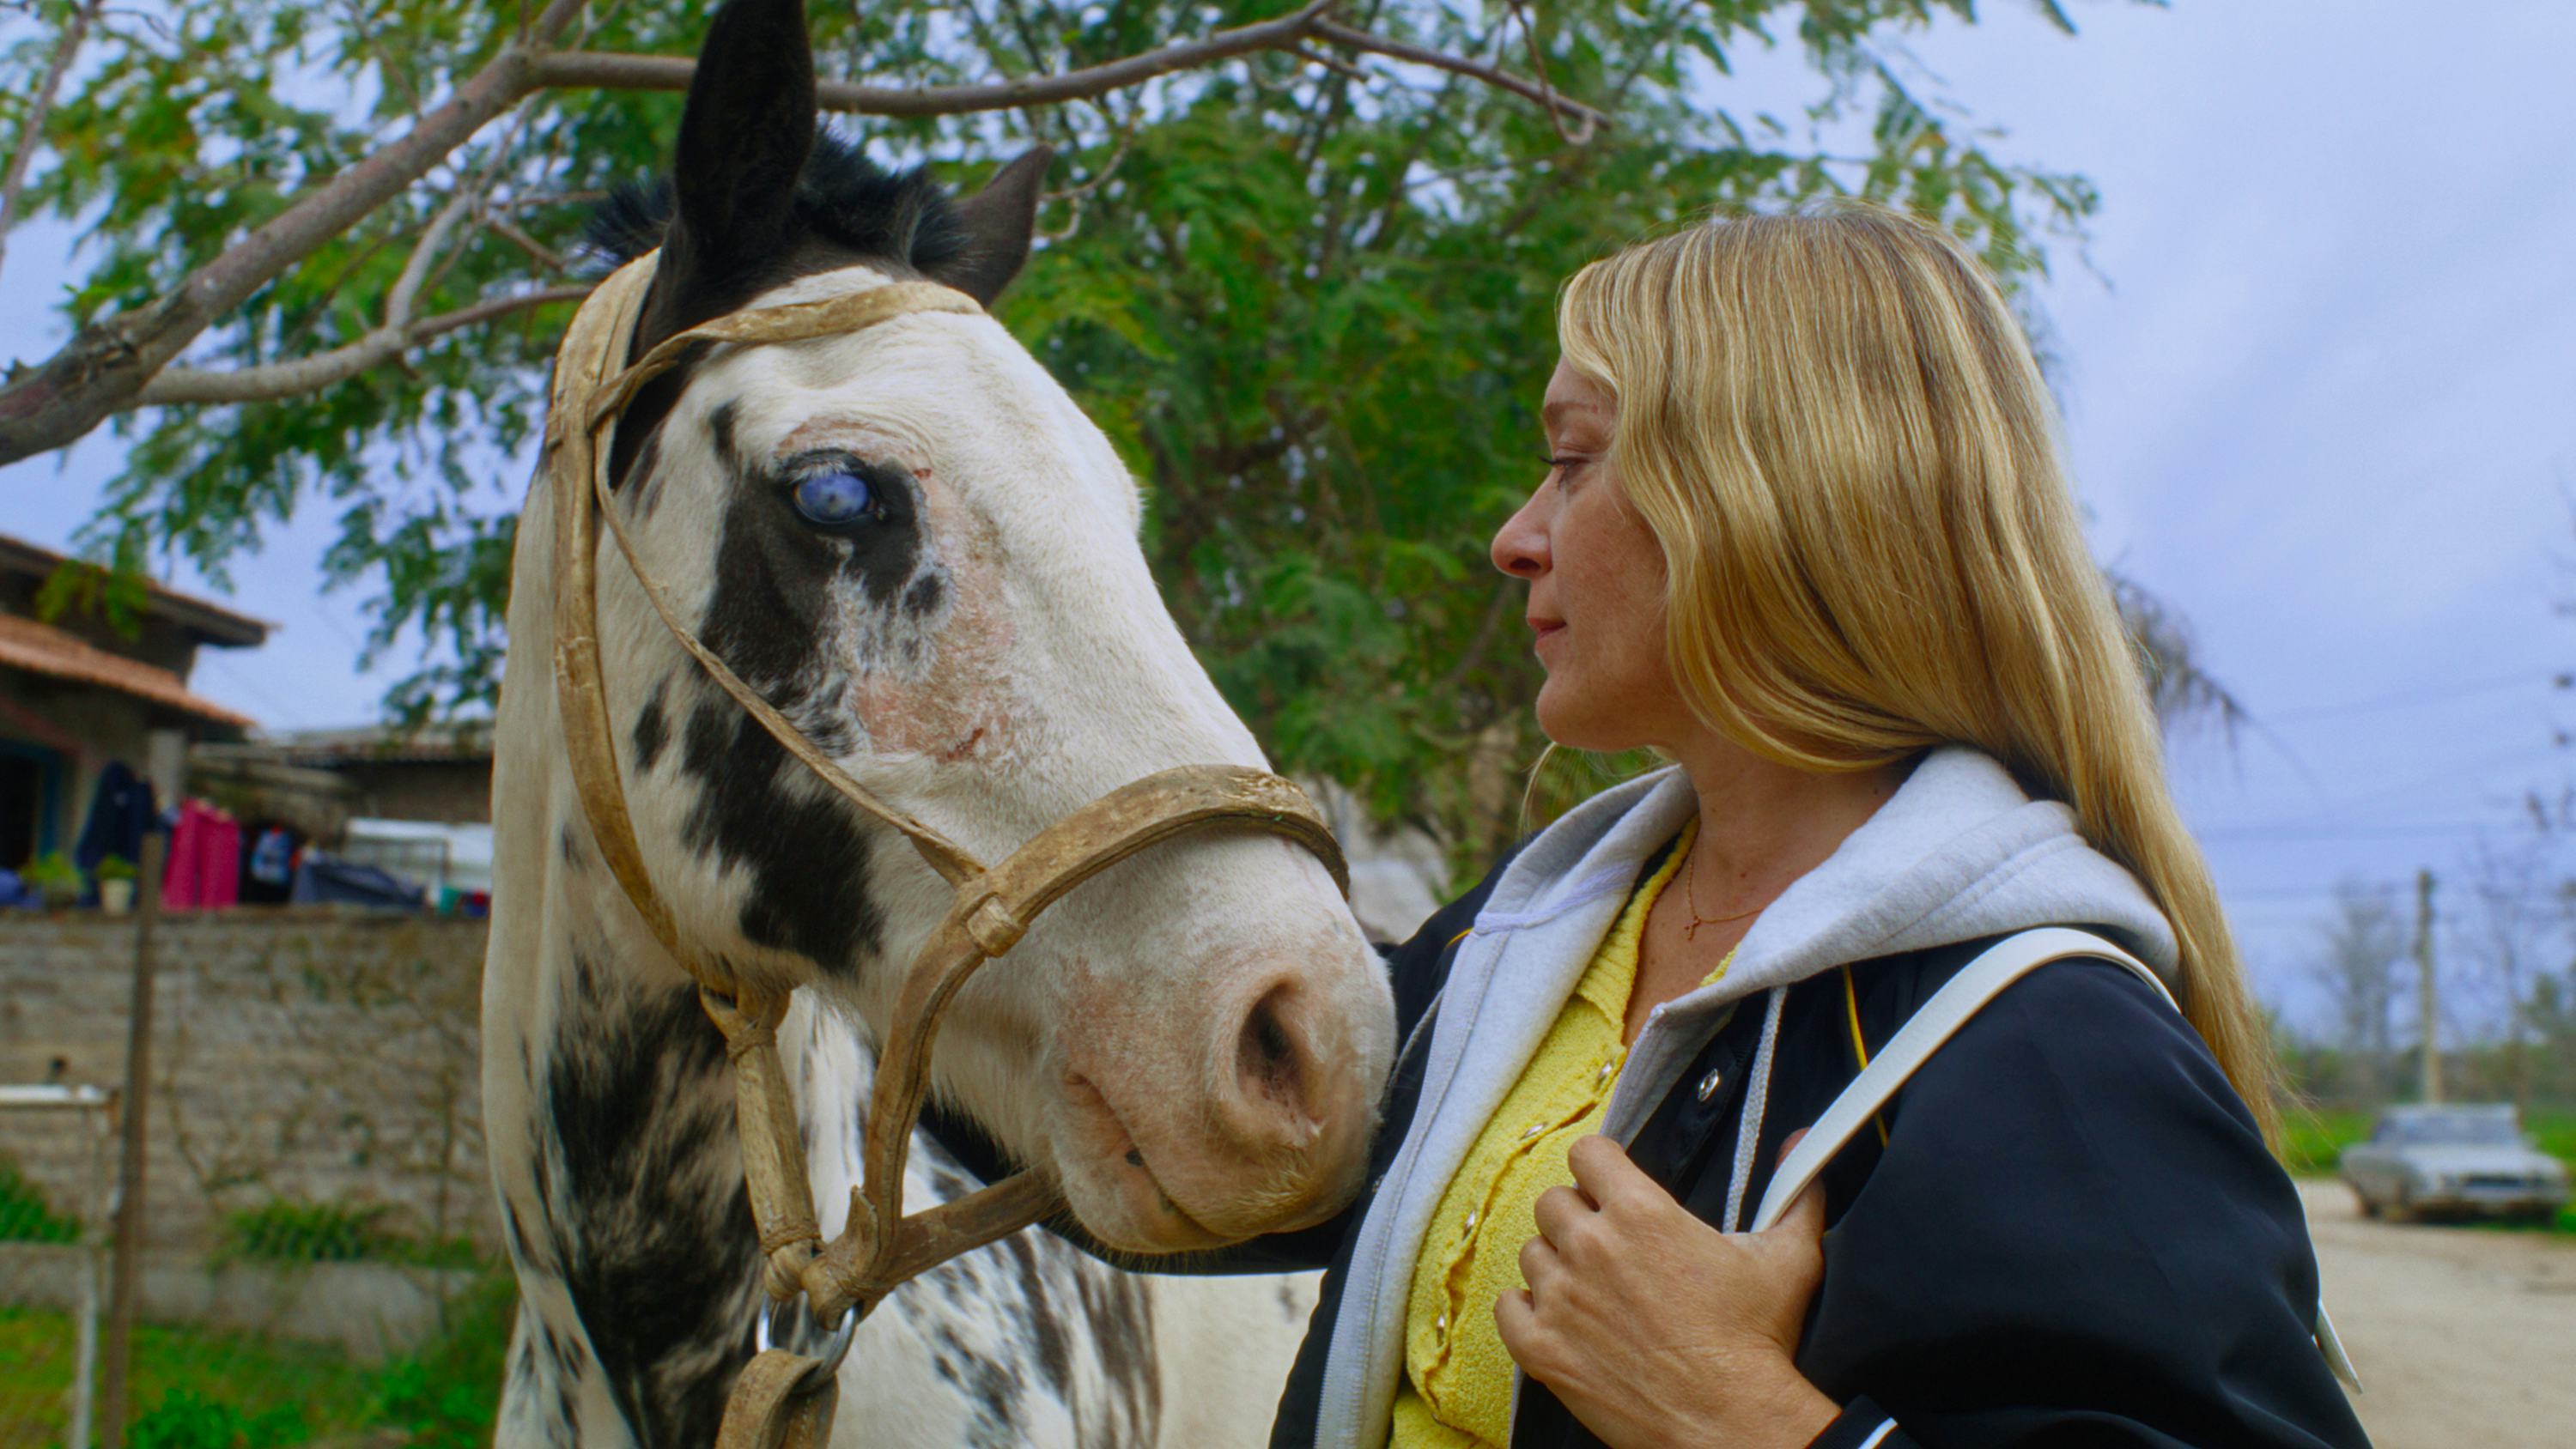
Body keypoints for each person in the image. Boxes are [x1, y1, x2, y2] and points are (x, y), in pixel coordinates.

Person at [940, 201, 2371, 1448]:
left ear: (1770, 499)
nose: (1517, 534)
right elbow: (1220, 1141)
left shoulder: (2045, 1046)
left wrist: (1750, 1422)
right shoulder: (1540, 933)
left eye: (1573, 460)